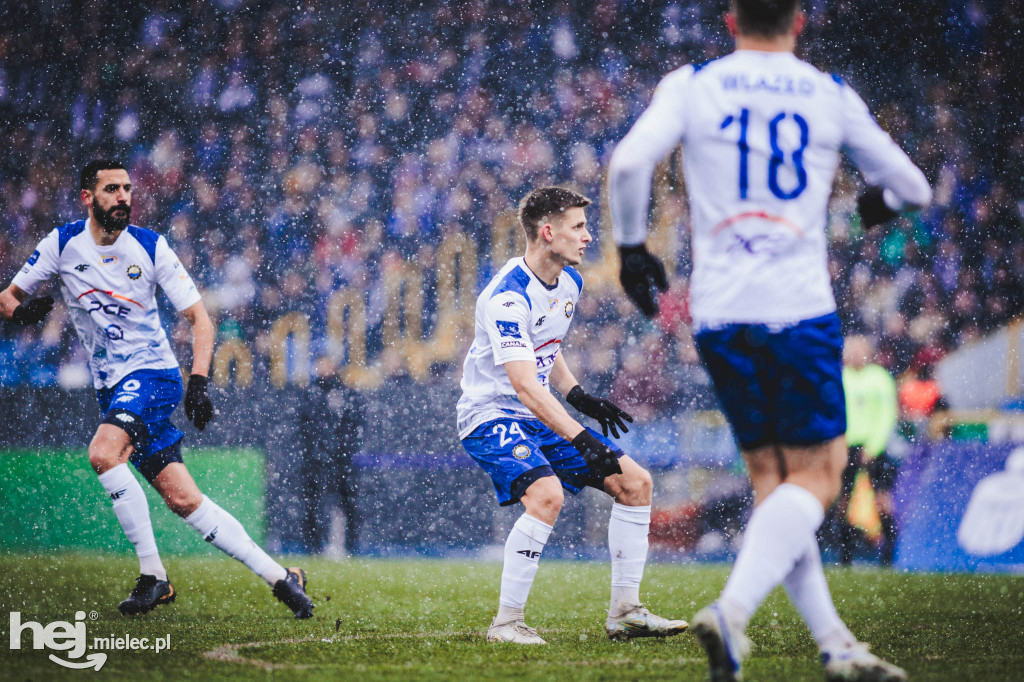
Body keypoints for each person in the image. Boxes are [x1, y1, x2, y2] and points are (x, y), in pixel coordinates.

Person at [608, 1, 931, 679]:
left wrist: (633, 249)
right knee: (818, 478)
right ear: (799, 21)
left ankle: (836, 645)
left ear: (731, 21)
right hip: (797, 310)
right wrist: (881, 206)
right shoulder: (827, 93)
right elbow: (912, 186)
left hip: (721, 314)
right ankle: (732, 610)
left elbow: (631, 164)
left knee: (773, 486)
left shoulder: (693, 83)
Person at [0, 160, 313, 619]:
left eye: (127, 188)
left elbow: (200, 319)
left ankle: (153, 576)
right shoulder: (62, 244)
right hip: (112, 388)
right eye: (111, 189)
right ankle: (281, 577)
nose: (123, 196)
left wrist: (200, 383)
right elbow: (7, 298)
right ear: (88, 197)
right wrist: (21, 314)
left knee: (104, 453)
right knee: (184, 499)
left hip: (152, 376)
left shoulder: (151, 247)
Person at [457, 186, 688, 644]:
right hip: (491, 416)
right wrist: (584, 437)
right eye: (578, 227)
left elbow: (546, 346)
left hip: (537, 411)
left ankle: (626, 611)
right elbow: (524, 387)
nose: (588, 237)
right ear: (547, 232)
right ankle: (506, 624)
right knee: (546, 495)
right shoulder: (506, 297)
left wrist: (578, 394)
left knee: (636, 483)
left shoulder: (569, 282)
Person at [834, 335, 899, 565]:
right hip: (846, 447)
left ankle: (889, 556)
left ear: (868, 352)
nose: (852, 354)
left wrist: (873, 446)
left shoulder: (880, 379)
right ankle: (845, 557)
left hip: (875, 447)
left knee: (882, 500)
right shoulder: (841, 378)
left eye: (858, 349)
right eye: (849, 349)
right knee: (842, 502)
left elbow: (886, 415)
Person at [298, 357, 365, 555]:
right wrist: (316, 450)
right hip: (318, 459)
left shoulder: (344, 392)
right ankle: (314, 546)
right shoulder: (311, 392)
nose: (323, 368)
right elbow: (305, 425)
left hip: (340, 459)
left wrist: (343, 449)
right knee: (313, 504)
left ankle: (350, 547)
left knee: (348, 503)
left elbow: (354, 423)